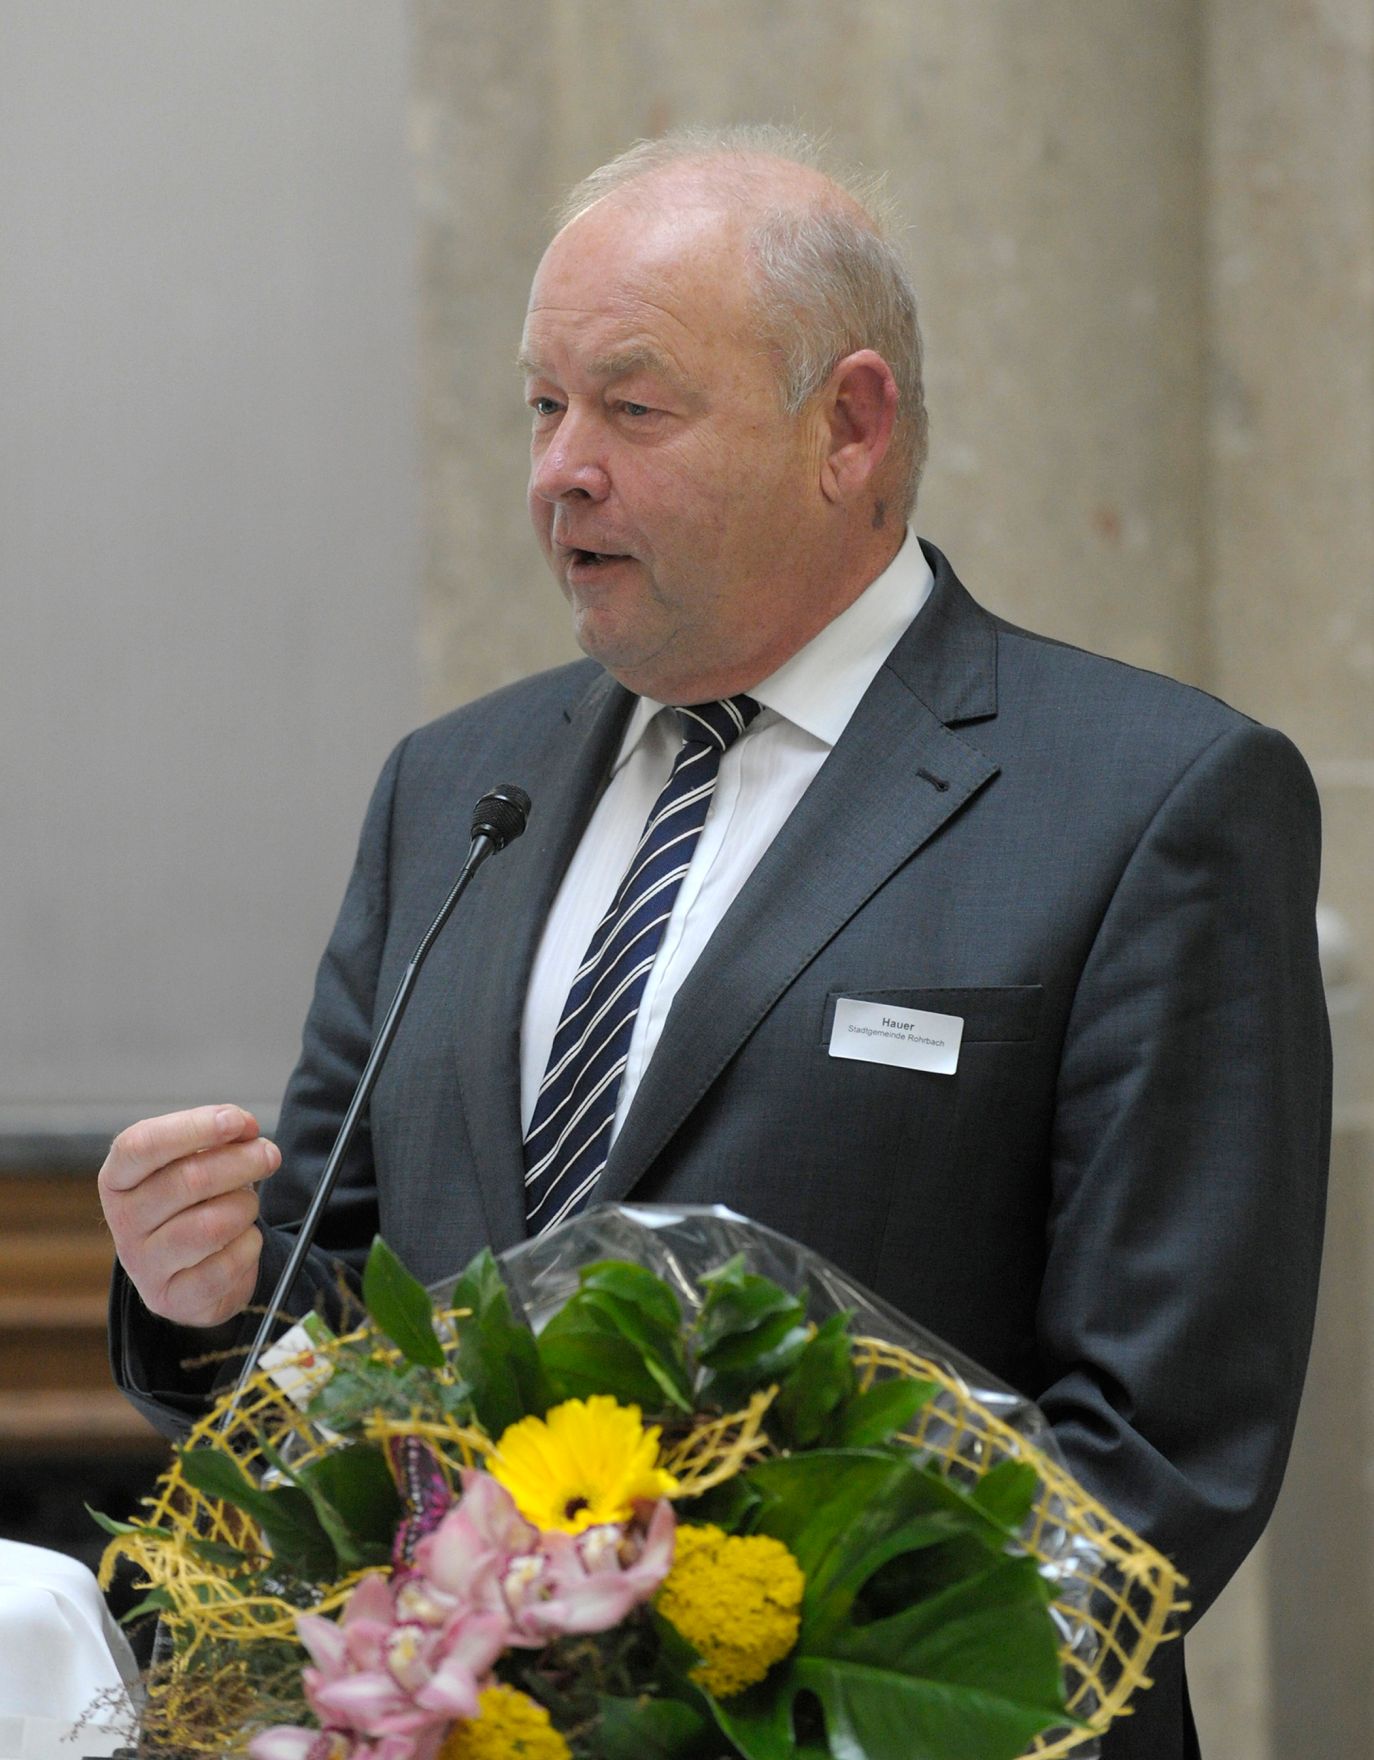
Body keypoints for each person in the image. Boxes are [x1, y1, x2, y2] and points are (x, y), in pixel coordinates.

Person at [100, 126, 1329, 1758]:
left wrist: (709, 1708)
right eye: (542, 407)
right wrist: (212, 1290)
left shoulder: (1149, 800)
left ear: (850, 425)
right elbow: (355, 1296)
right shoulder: (454, 791)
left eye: (632, 405)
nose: (561, 468)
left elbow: (1158, 1456)